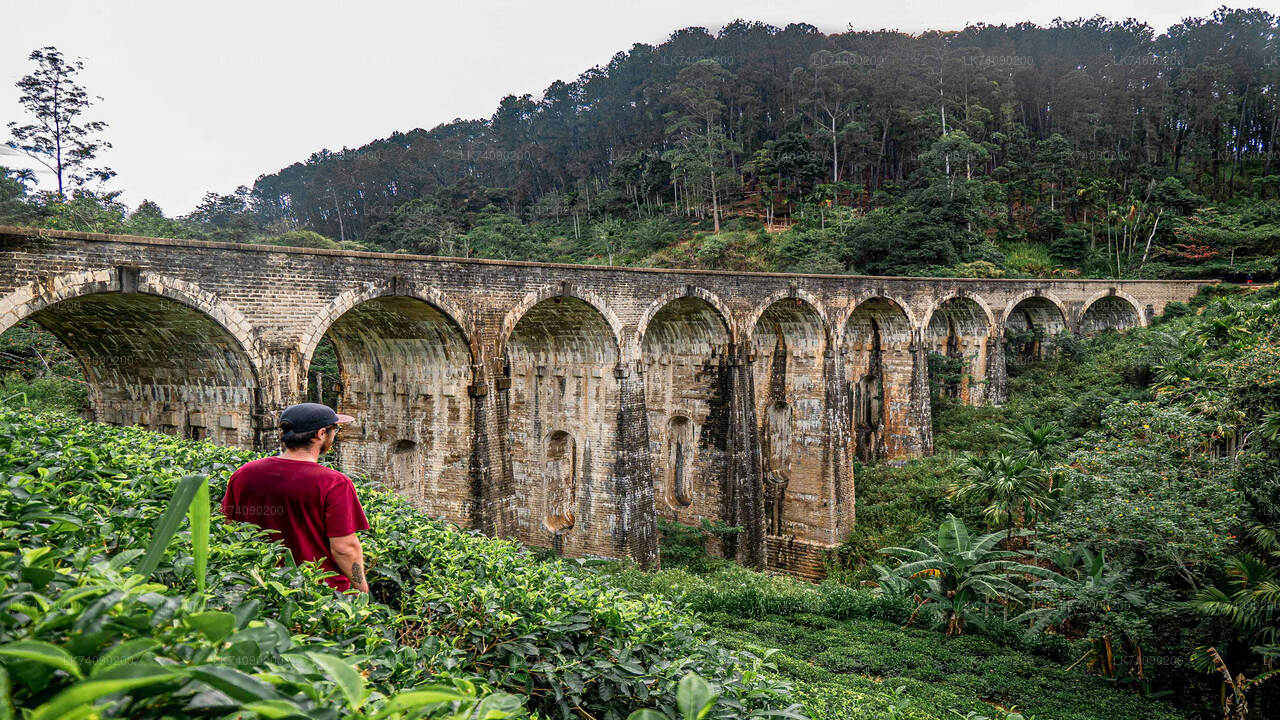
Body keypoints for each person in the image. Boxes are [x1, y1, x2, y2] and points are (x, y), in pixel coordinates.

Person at [221, 403, 370, 593]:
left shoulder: (244, 473)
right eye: (335, 429)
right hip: (317, 594)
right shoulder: (333, 483)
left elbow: (231, 527)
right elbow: (344, 548)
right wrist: (362, 590)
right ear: (321, 433)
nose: (335, 434)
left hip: (257, 586)